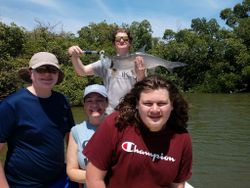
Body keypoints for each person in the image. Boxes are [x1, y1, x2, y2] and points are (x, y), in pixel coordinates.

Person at [83, 75, 192, 188]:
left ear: (172, 105)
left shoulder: (182, 137)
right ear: (137, 104)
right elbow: (93, 178)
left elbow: (178, 185)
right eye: (148, 103)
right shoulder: (116, 124)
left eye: (161, 104)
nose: (155, 109)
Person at [0, 52, 75, 187]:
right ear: (31, 73)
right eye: (41, 69)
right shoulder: (12, 104)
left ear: (58, 75)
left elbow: (70, 139)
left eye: (52, 70)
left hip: (59, 180)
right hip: (22, 184)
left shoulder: (62, 101)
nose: (47, 75)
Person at [68, 28, 146, 114]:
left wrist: (141, 74)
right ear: (114, 43)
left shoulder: (138, 62)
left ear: (130, 42)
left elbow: (144, 88)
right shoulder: (106, 62)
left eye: (125, 38)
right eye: (118, 39)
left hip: (132, 112)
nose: (121, 40)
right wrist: (74, 56)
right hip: (110, 113)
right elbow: (82, 71)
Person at [66, 84, 108, 188]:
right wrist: (98, 177)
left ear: (107, 103)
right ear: (84, 105)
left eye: (99, 100)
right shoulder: (76, 131)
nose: (94, 105)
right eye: (89, 101)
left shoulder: (120, 127)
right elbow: (71, 171)